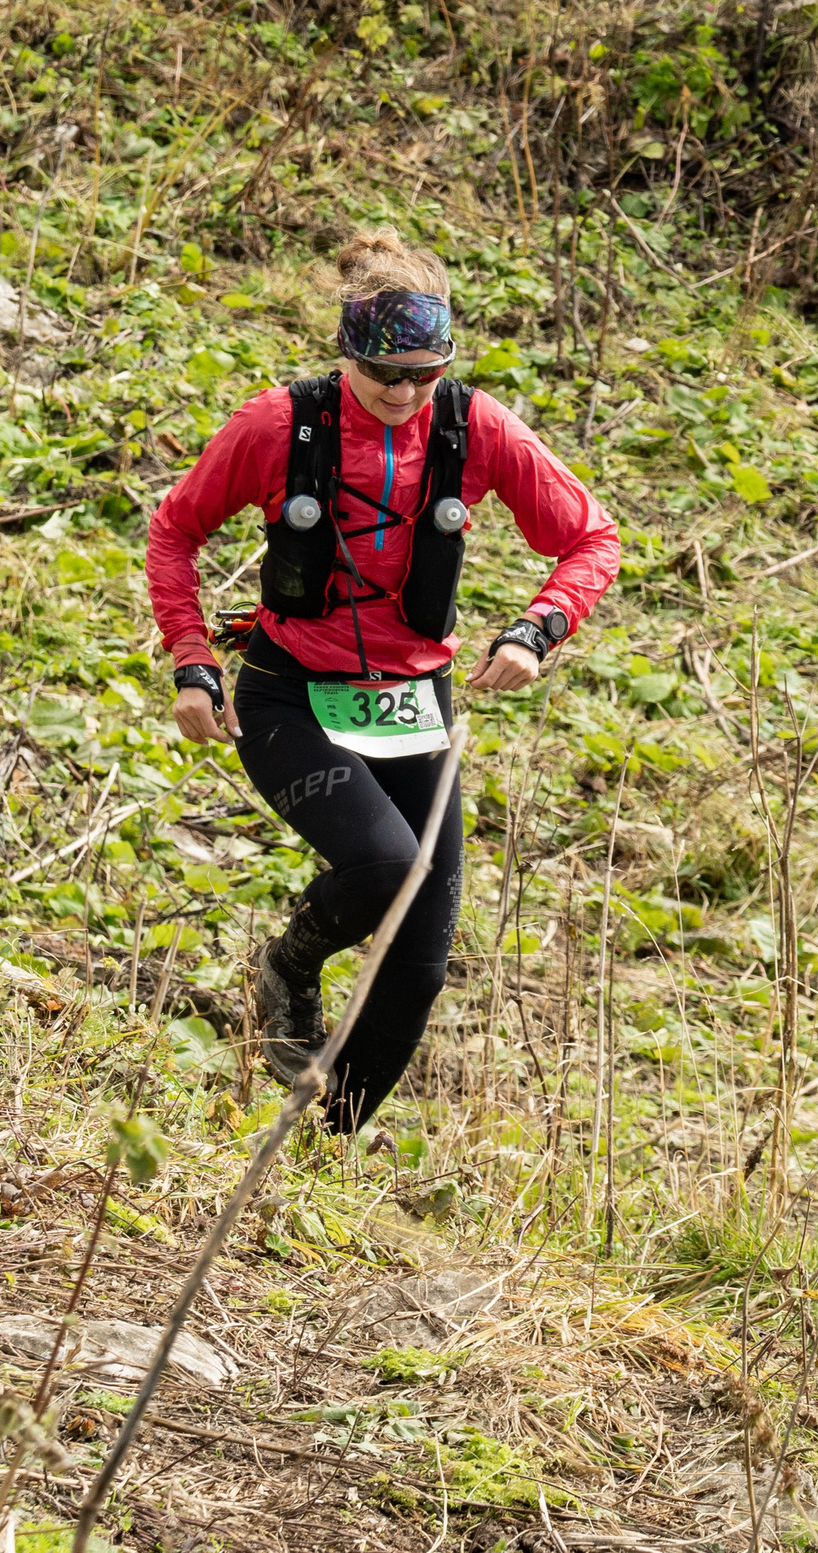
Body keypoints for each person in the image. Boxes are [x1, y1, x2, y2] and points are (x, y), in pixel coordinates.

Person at [146, 227, 620, 1133]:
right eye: (382, 374)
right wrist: (192, 657)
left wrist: (540, 627)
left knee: (422, 963)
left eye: (424, 374)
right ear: (346, 353)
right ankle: (288, 965)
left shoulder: (473, 426)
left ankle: (321, 1142)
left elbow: (592, 537)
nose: (403, 394)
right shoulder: (279, 424)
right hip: (291, 692)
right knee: (389, 866)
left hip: (413, 702)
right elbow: (175, 531)